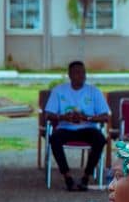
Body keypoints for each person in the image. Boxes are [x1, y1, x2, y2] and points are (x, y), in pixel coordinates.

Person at [44, 61, 110, 192]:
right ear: (69, 75)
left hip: (88, 128)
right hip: (65, 127)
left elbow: (105, 117)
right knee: (55, 139)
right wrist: (63, 117)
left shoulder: (94, 91)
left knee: (100, 139)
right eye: (77, 72)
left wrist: (87, 118)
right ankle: (67, 177)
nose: (81, 75)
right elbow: (48, 114)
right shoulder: (59, 91)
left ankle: (85, 177)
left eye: (83, 72)